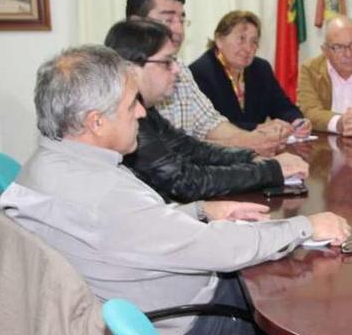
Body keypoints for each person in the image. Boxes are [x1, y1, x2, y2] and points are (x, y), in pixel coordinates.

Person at [0, 45, 351, 335]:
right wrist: (305, 226)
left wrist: (201, 210)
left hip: (124, 315)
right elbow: (216, 249)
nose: (140, 113)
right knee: (304, 317)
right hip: (176, 328)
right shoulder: (104, 194)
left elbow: (122, 229)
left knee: (271, 273)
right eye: (129, 105)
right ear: (96, 122)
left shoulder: (42, 166)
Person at [105, 19, 308, 202]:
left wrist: (252, 157)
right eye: (167, 62)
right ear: (131, 68)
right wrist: (270, 170)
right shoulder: (124, 116)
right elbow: (186, 182)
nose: (177, 69)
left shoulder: (144, 109)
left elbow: (192, 149)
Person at [125, 0, 288, 155]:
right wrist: (246, 146)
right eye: (168, 20)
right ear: (136, 24)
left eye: (181, 20)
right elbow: (169, 156)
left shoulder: (180, 70)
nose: (178, 29)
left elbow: (210, 122)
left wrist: (253, 141)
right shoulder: (117, 78)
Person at [190, 10, 311, 133]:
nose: (248, 48)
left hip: (259, 147)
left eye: (254, 42)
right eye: (241, 39)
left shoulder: (261, 69)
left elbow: (282, 106)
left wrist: (296, 121)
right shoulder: (199, 73)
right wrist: (258, 128)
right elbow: (210, 125)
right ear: (219, 40)